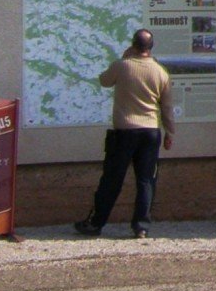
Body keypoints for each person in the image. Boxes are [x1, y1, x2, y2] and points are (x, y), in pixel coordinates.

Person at [74, 29, 174, 239]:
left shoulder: (122, 66)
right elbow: (166, 107)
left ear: (133, 45)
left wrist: (124, 58)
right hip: (151, 131)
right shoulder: (160, 72)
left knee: (112, 178)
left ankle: (96, 223)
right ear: (151, 47)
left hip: (125, 131)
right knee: (146, 180)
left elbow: (104, 80)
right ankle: (141, 226)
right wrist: (170, 132)